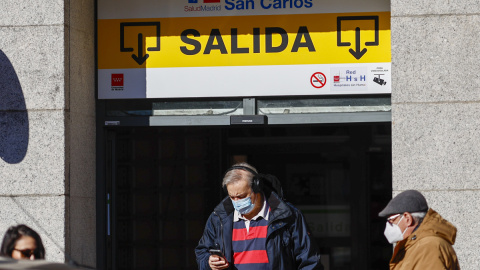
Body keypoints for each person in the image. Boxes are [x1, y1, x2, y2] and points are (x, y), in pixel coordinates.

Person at [195, 162, 323, 269]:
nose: (236, 201)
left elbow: (309, 262)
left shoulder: (288, 216)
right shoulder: (218, 218)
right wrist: (209, 262)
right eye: (232, 197)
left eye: (241, 196)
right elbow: (202, 252)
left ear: (257, 188)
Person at [378, 190, 460, 269]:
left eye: (391, 220)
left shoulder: (427, 246)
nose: (389, 225)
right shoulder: (416, 245)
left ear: (407, 218)